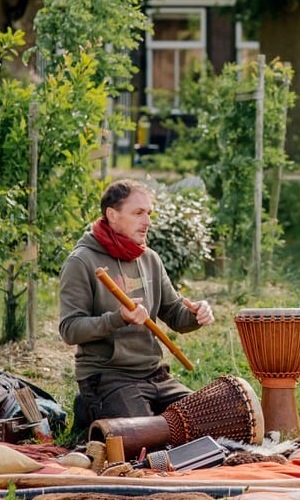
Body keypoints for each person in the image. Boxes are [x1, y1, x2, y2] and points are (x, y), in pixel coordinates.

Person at [59, 179, 214, 436]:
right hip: (108, 378)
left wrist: (196, 315)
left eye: (149, 213)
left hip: (155, 376)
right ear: (112, 215)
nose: (148, 221)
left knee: (206, 422)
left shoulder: (149, 258)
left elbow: (175, 314)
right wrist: (118, 318)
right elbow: (70, 330)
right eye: (138, 213)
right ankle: (90, 409)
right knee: (147, 438)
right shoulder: (81, 261)